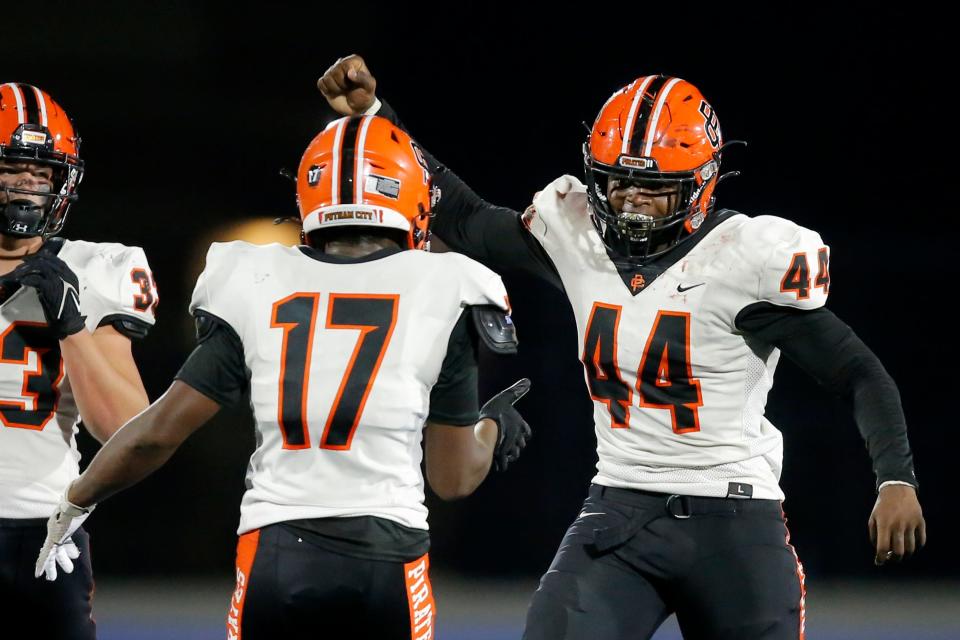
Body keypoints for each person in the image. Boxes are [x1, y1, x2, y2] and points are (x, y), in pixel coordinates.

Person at [318, 56, 926, 640]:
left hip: (736, 523)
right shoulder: (579, 238)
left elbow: (859, 372)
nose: (631, 202)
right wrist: (375, 120)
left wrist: (894, 478)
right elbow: (464, 216)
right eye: (619, 183)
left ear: (700, 184)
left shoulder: (747, 259)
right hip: (620, 508)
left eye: (652, 188)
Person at [36, 114, 532, 640]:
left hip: (274, 554)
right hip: (387, 557)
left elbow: (156, 433)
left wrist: (75, 498)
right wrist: (491, 429)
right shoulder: (447, 285)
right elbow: (453, 478)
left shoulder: (256, 280)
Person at [0, 83, 156, 639]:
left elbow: (124, 429)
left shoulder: (95, 268)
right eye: (13, 165)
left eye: (42, 172)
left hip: (42, 533)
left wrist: (70, 323)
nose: (28, 184)